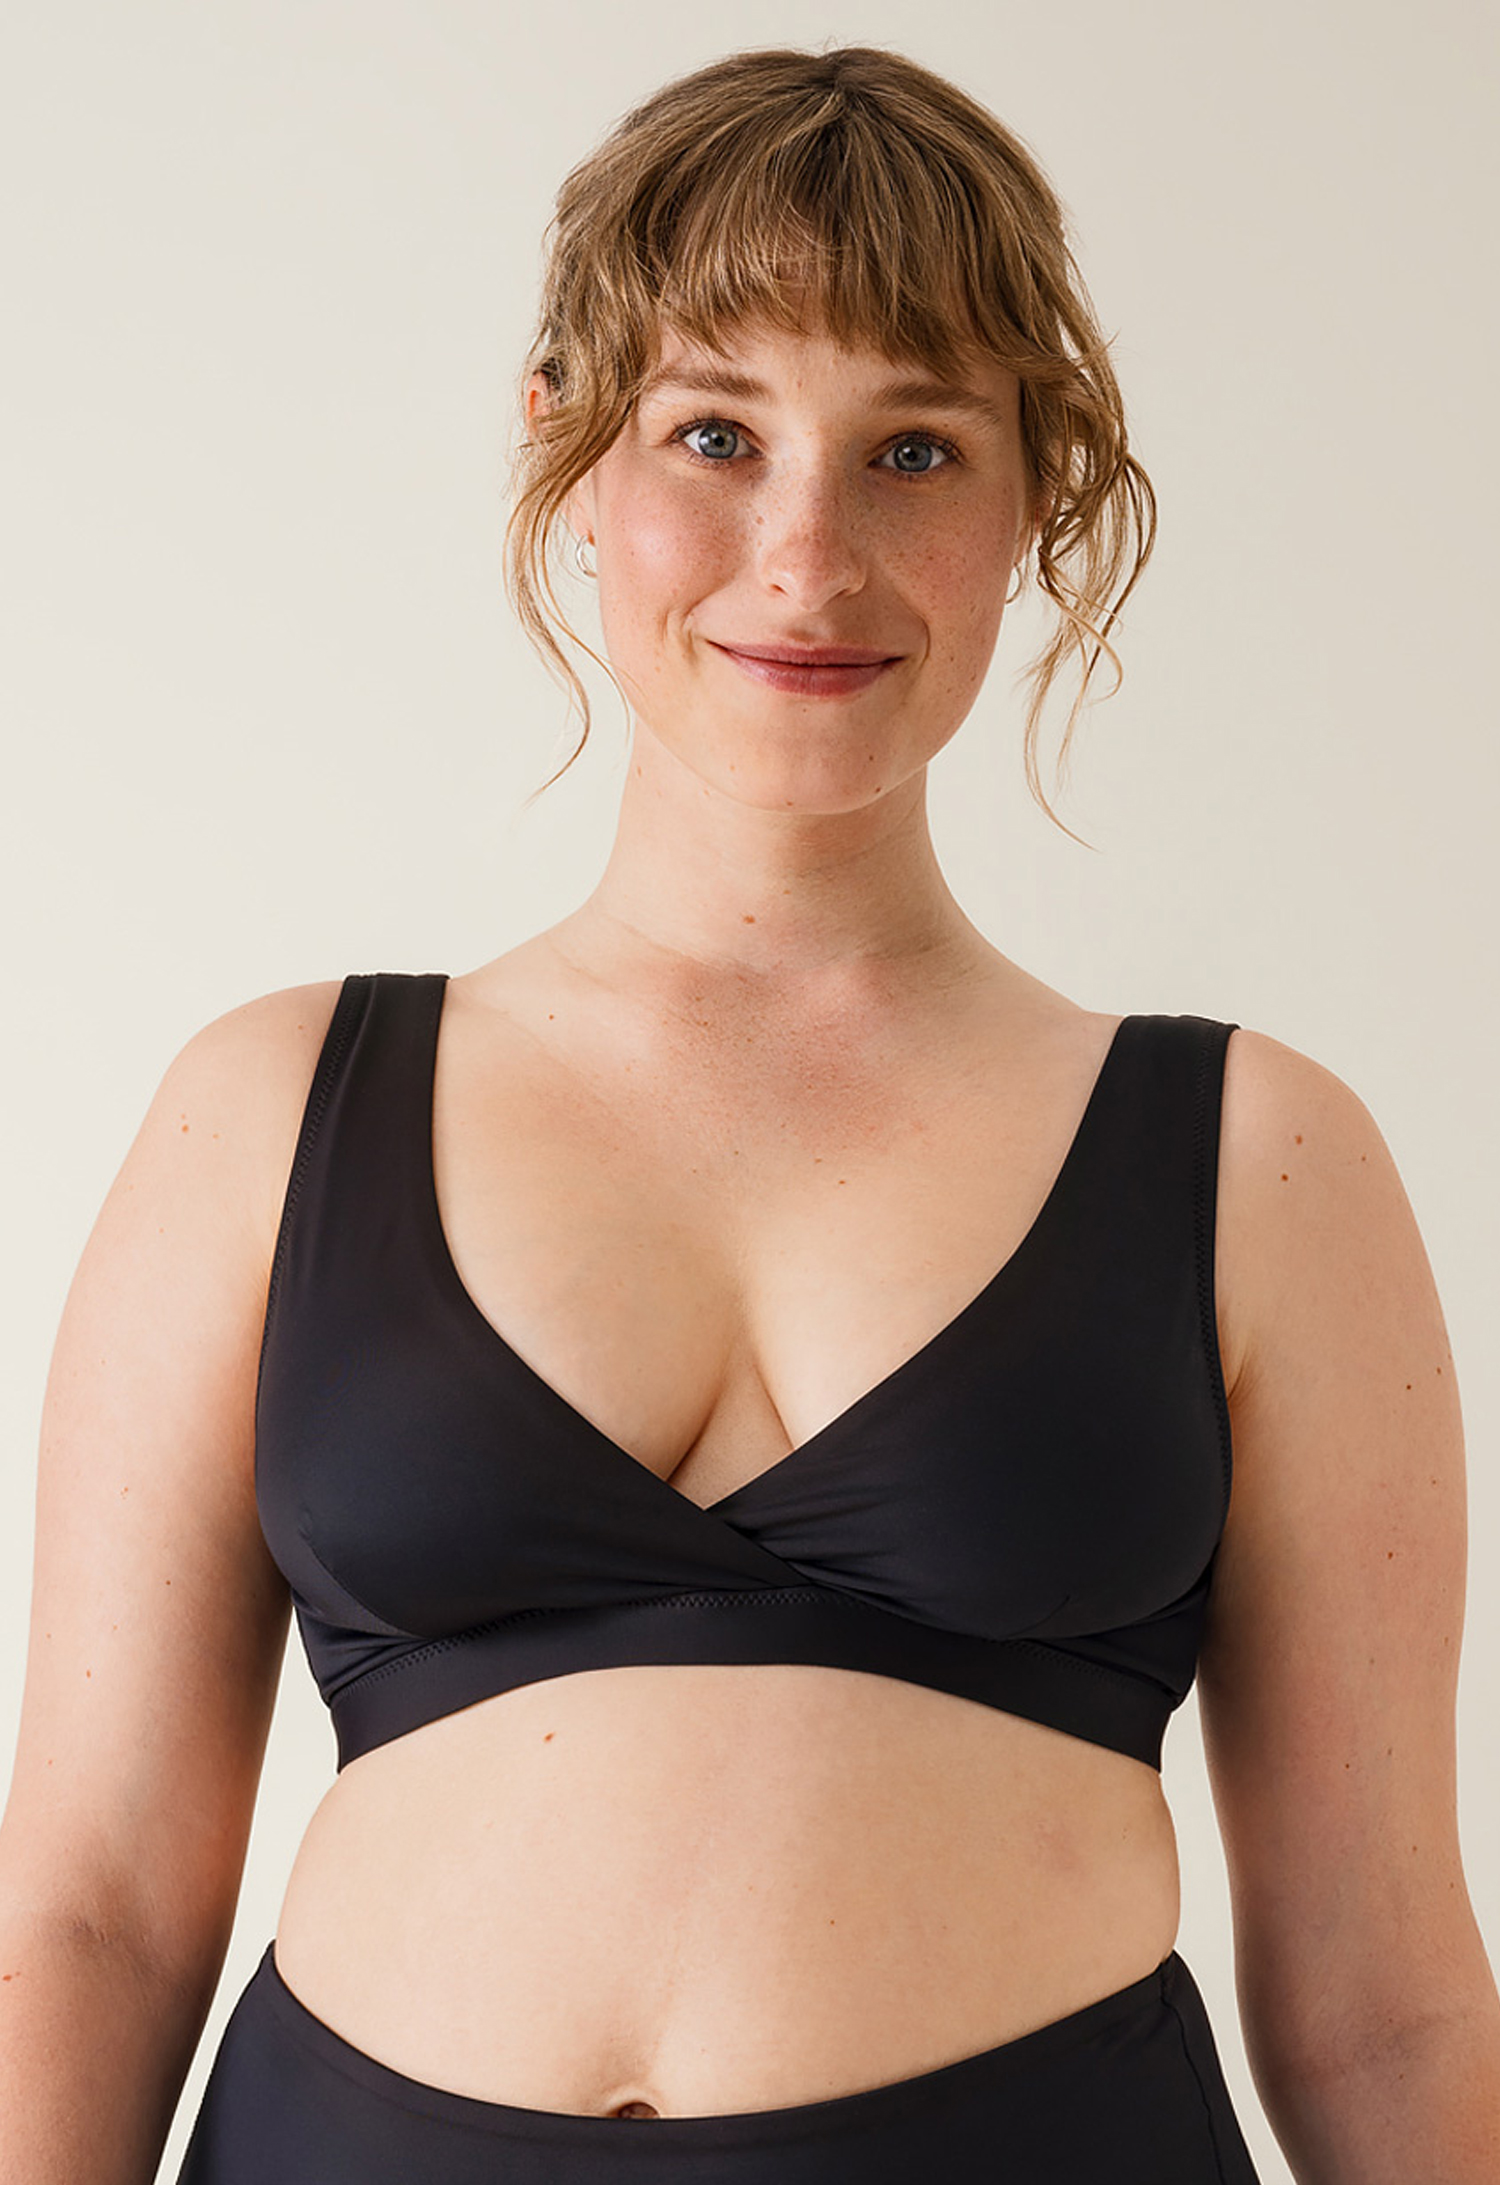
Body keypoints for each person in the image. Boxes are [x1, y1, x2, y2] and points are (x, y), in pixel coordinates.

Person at [2, 41, 1497, 2185]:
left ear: (1037, 494)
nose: (809, 555)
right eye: (716, 433)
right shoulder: (272, 1111)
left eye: (915, 449)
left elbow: (1384, 1991)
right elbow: (87, 1913)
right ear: (570, 452)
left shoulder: (1260, 1159)